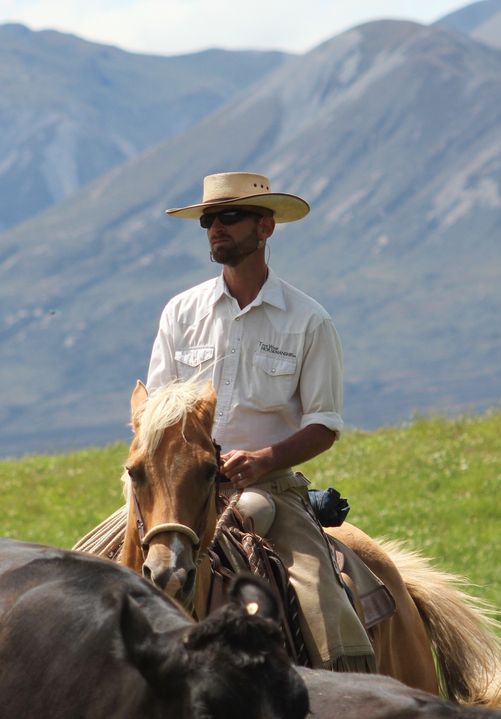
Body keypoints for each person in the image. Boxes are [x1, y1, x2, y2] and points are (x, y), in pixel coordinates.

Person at [146, 171, 376, 673]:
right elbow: (156, 416)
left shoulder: (308, 320)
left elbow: (324, 424)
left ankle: (348, 689)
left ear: (265, 227)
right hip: (180, 491)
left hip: (271, 489)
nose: (215, 229)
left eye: (229, 217)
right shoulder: (180, 313)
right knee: (91, 565)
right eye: (209, 220)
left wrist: (263, 460)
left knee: (322, 604)